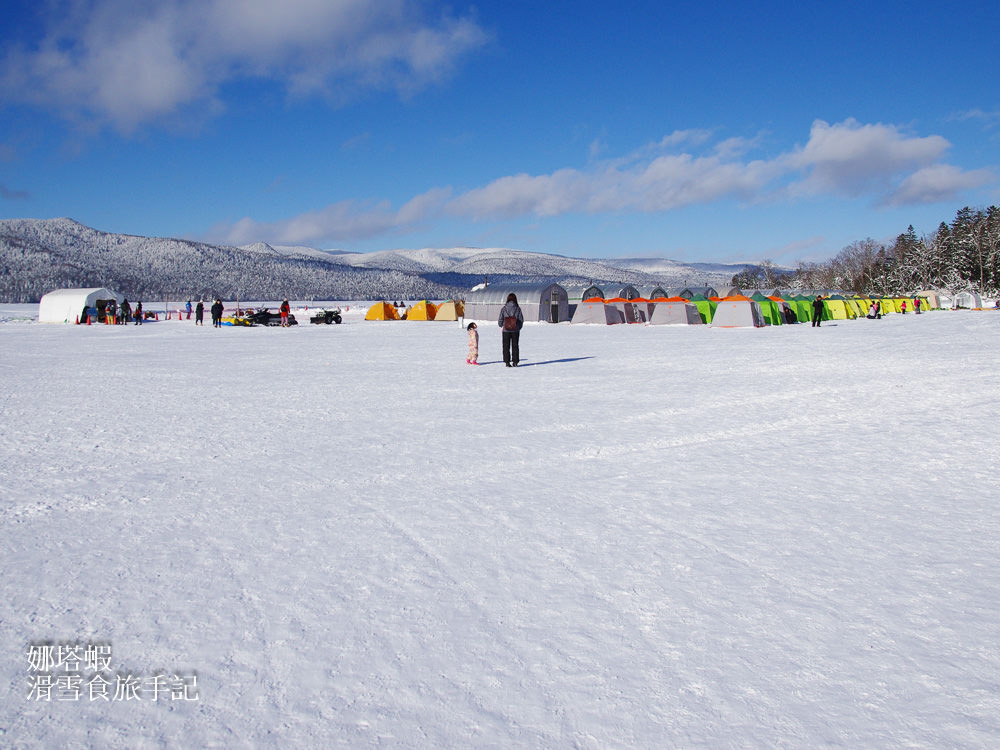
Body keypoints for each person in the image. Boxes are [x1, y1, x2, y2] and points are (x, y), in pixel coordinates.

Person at [497, 292, 524, 366]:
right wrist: (518, 327)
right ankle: (515, 362)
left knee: (506, 346)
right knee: (515, 346)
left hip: (506, 330)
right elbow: (521, 319)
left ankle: (507, 362)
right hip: (515, 330)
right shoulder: (518, 308)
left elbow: (500, 319)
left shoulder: (504, 308)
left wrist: (501, 325)